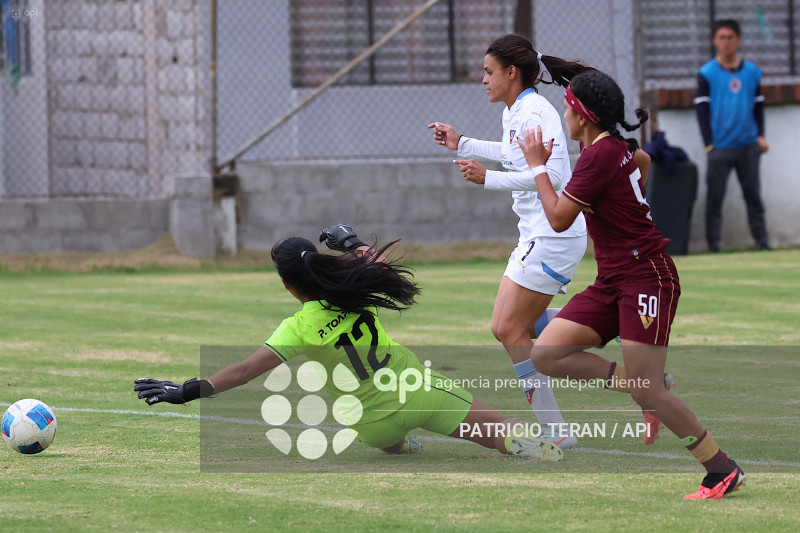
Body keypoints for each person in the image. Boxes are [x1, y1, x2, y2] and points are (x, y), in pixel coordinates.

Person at [134, 224, 563, 462]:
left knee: (391, 436)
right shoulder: (355, 289)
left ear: (287, 286)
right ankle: (539, 449)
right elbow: (380, 265)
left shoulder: (297, 327)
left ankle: (401, 441)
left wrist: (187, 390)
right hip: (419, 395)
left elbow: (244, 372)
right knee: (509, 438)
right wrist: (353, 242)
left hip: (368, 425)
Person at [517, 69, 745, 499]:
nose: (563, 112)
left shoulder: (599, 156)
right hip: (615, 279)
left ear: (582, 116)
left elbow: (559, 217)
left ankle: (722, 470)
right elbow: (642, 162)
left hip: (647, 278)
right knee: (546, 353)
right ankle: (648, 386)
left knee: (651, 392)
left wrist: (537, 169)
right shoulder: (615, 149)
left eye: (568, 106)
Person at [426, 34, 594, 449]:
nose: (483, 79)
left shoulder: (534, 110)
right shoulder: (518, 110)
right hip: (538, 234)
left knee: (509, 328)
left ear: (511, 73)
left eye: (488, 72)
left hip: (551, 236)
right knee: (509, 327)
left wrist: (488, 179)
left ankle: (556, 429)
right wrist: (462, 142)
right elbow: (514, 155)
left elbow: (553, 177)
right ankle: (600, 320)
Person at [695, 18, 770, 252]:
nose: (726, 42)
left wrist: (761, 136)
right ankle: (714, 246)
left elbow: (758, 107)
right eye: (722, 38)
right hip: (720, 147)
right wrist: (709, 144)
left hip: (748, 145)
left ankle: (762, 242)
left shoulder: (752, 72)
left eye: (730, 37)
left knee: (753, 196)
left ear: (738, 40)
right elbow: (702, 110)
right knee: (715, 199)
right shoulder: (706, 73)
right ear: (715, 41)